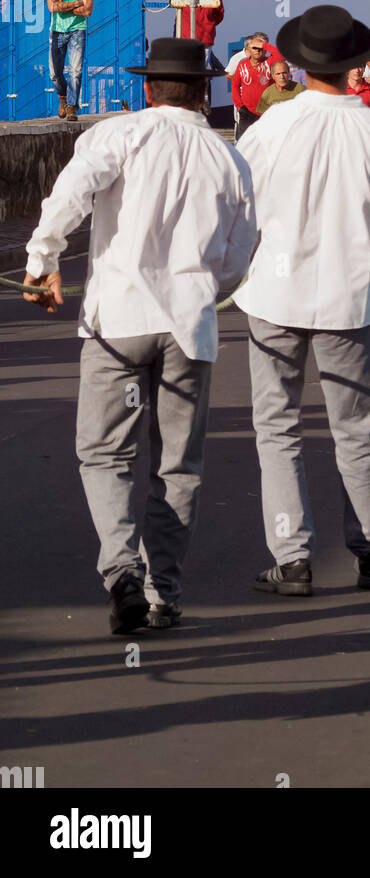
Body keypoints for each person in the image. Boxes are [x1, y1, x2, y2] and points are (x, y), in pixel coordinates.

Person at [23, 39, 256, 634]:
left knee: (105, 454)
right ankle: (162, 592)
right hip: (189, 328)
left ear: (147, 88)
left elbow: (71, 192)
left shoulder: (118, 135)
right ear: (205, 92)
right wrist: (204, 284)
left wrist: (41, 258)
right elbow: (239, 255)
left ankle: (122, 572)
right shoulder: (229, 159)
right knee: (177, 466)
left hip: (118, 322)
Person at [235, 5, 370, 595]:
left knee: (277, 428)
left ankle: (292, 557)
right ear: (357, 63)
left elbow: (241, 214)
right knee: (357, 429)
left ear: (298, 64)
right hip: (348, 297)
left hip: (272, 296)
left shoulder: (269, 130)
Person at [47, 0, 94, 122]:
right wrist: (76, 3)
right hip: (58, 30)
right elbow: (52, 7)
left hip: (77, 30)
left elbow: (88, 11)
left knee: (75, 71)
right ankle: (63, 98)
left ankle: (72, 107)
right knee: (54, 73)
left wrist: (63, 4)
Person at [231, 33, 280, 137]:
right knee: (244, 144)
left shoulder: (270, 62)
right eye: (254, 48)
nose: (258, 50)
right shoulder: (242, 65)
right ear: (248, 50)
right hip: (247, 112)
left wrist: (264, 45)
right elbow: (235, 86)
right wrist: (240, 106)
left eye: (260, 48)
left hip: (267, 111)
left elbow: (280, 55)